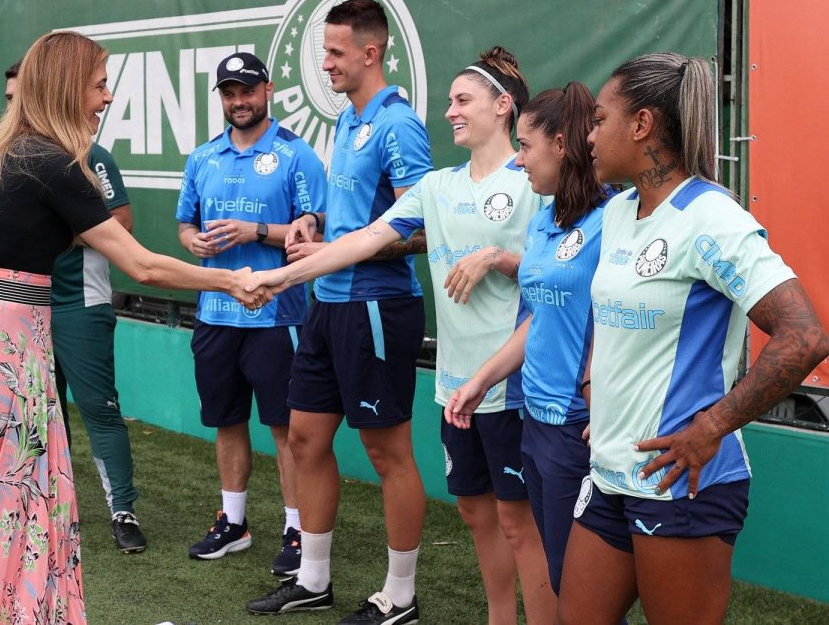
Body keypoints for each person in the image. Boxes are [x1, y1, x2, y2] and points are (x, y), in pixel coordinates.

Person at [0, 31, 269, 623]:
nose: (107, 98)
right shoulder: (54, 164)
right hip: (3, 361)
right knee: (7, 525)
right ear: (67, 89)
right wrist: (231, 280)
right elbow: (142, 265)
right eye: (98, 85)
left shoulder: (12, 153)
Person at [248, 47, 558, 624]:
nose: (450, 111)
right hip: (456, 385)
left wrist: (497, 259)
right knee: (476, 515)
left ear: (502, 106)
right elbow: (362, 240)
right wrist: (281, 276)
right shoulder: (437, 186)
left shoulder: (534, 182)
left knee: (520, 523)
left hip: (513, 384)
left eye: (463, 100)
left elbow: (560, 272)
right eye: (450, 102)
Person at [553, 52, 829, 624]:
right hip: (610, 472)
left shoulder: (711, 218)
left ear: (642, 124)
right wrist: (595, 386)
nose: (589, 136)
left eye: (599, 120)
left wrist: (710, 428)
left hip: (681, 485)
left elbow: (804, 336)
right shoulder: (618, 211)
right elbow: (610, 313)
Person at [246, 0, 433, 623]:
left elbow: (421, 230)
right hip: (326, 305)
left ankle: (400, 596)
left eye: (334, 52)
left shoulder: (398, 124)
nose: (324, 63)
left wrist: (334, 250)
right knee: (304, 438)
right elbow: (354, 216)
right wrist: (313, 223)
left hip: (376, 306)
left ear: (370, 52)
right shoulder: (350, 118)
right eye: (323, 51)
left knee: (387, 454)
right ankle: (313, 579)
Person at [446, 82, 611, 606]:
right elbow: (541, 318)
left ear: (560, 146)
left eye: (525, 146)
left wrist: (600, 394)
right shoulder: (544, 220)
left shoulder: (615, 219)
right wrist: (481, 380)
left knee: (582, 591)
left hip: (575, 427)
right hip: (533, 422)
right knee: (562, 578)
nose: (518, 161)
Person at [177, 52, 326, 574]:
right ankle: (234, 523)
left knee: (286, 429)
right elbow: (185, 225)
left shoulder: (295, 154)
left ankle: (297, 530)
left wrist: (255, 232)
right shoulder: (203, 158)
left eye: (247, 91)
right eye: (229, 93)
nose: (238, 101)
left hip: (276, 316)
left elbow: (316, 233)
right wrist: (194, 242)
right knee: (227, 420)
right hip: (215, 314)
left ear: (267, 90)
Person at [6, 58, 147, 554]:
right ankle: (48, 507)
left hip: (81, 303)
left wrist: (59, 230)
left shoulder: (92, 155)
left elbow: (122, 224)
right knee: (40, 412)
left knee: (99, 410)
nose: (12, 106)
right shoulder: (15, 156)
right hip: (29, 304)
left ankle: (122, 511)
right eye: (7, 99)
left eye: (18, 97)